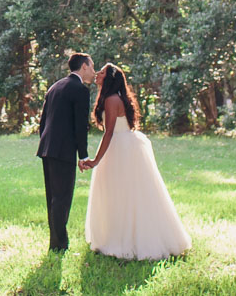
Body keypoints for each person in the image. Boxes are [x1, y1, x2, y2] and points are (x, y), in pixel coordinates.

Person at [81, 63, 191, 260]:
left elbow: (109, 132)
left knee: (120, 194)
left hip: (119, 148)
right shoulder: (115, 98)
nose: (98, 74)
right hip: (126, 146)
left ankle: (123, 240)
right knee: (128, 194)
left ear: (110, 78)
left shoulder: (111, 100)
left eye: (103, 72)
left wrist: (96, 160)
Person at [35, 52, 95, 251]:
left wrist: (46, 142)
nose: (94, 72)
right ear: (84, 66)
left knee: (53, 197)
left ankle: (56, 242)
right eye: (92, 67)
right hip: (63, 150)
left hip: (47, 148)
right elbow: (80, 126)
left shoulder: (55, 87)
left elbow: (43, 123)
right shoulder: (80, 90)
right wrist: (84, 155)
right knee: (62, 198)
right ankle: (59, 246)